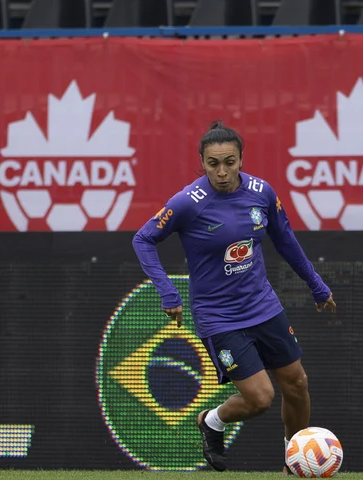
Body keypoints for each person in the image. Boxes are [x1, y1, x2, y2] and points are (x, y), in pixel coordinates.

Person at [132, 121, 336, 473]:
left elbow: (285, 240)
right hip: (219, 317)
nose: (222, 172)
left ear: (241, 160)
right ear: (202, 162)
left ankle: (295, 462)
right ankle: (212, 420)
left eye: (230, 162)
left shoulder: (261, 193)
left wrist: (316, 284)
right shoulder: (187, 202)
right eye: (213, 164)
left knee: (297, 384)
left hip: (263, 306)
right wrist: (167, 292)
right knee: (260, 399)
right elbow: (143, 239)